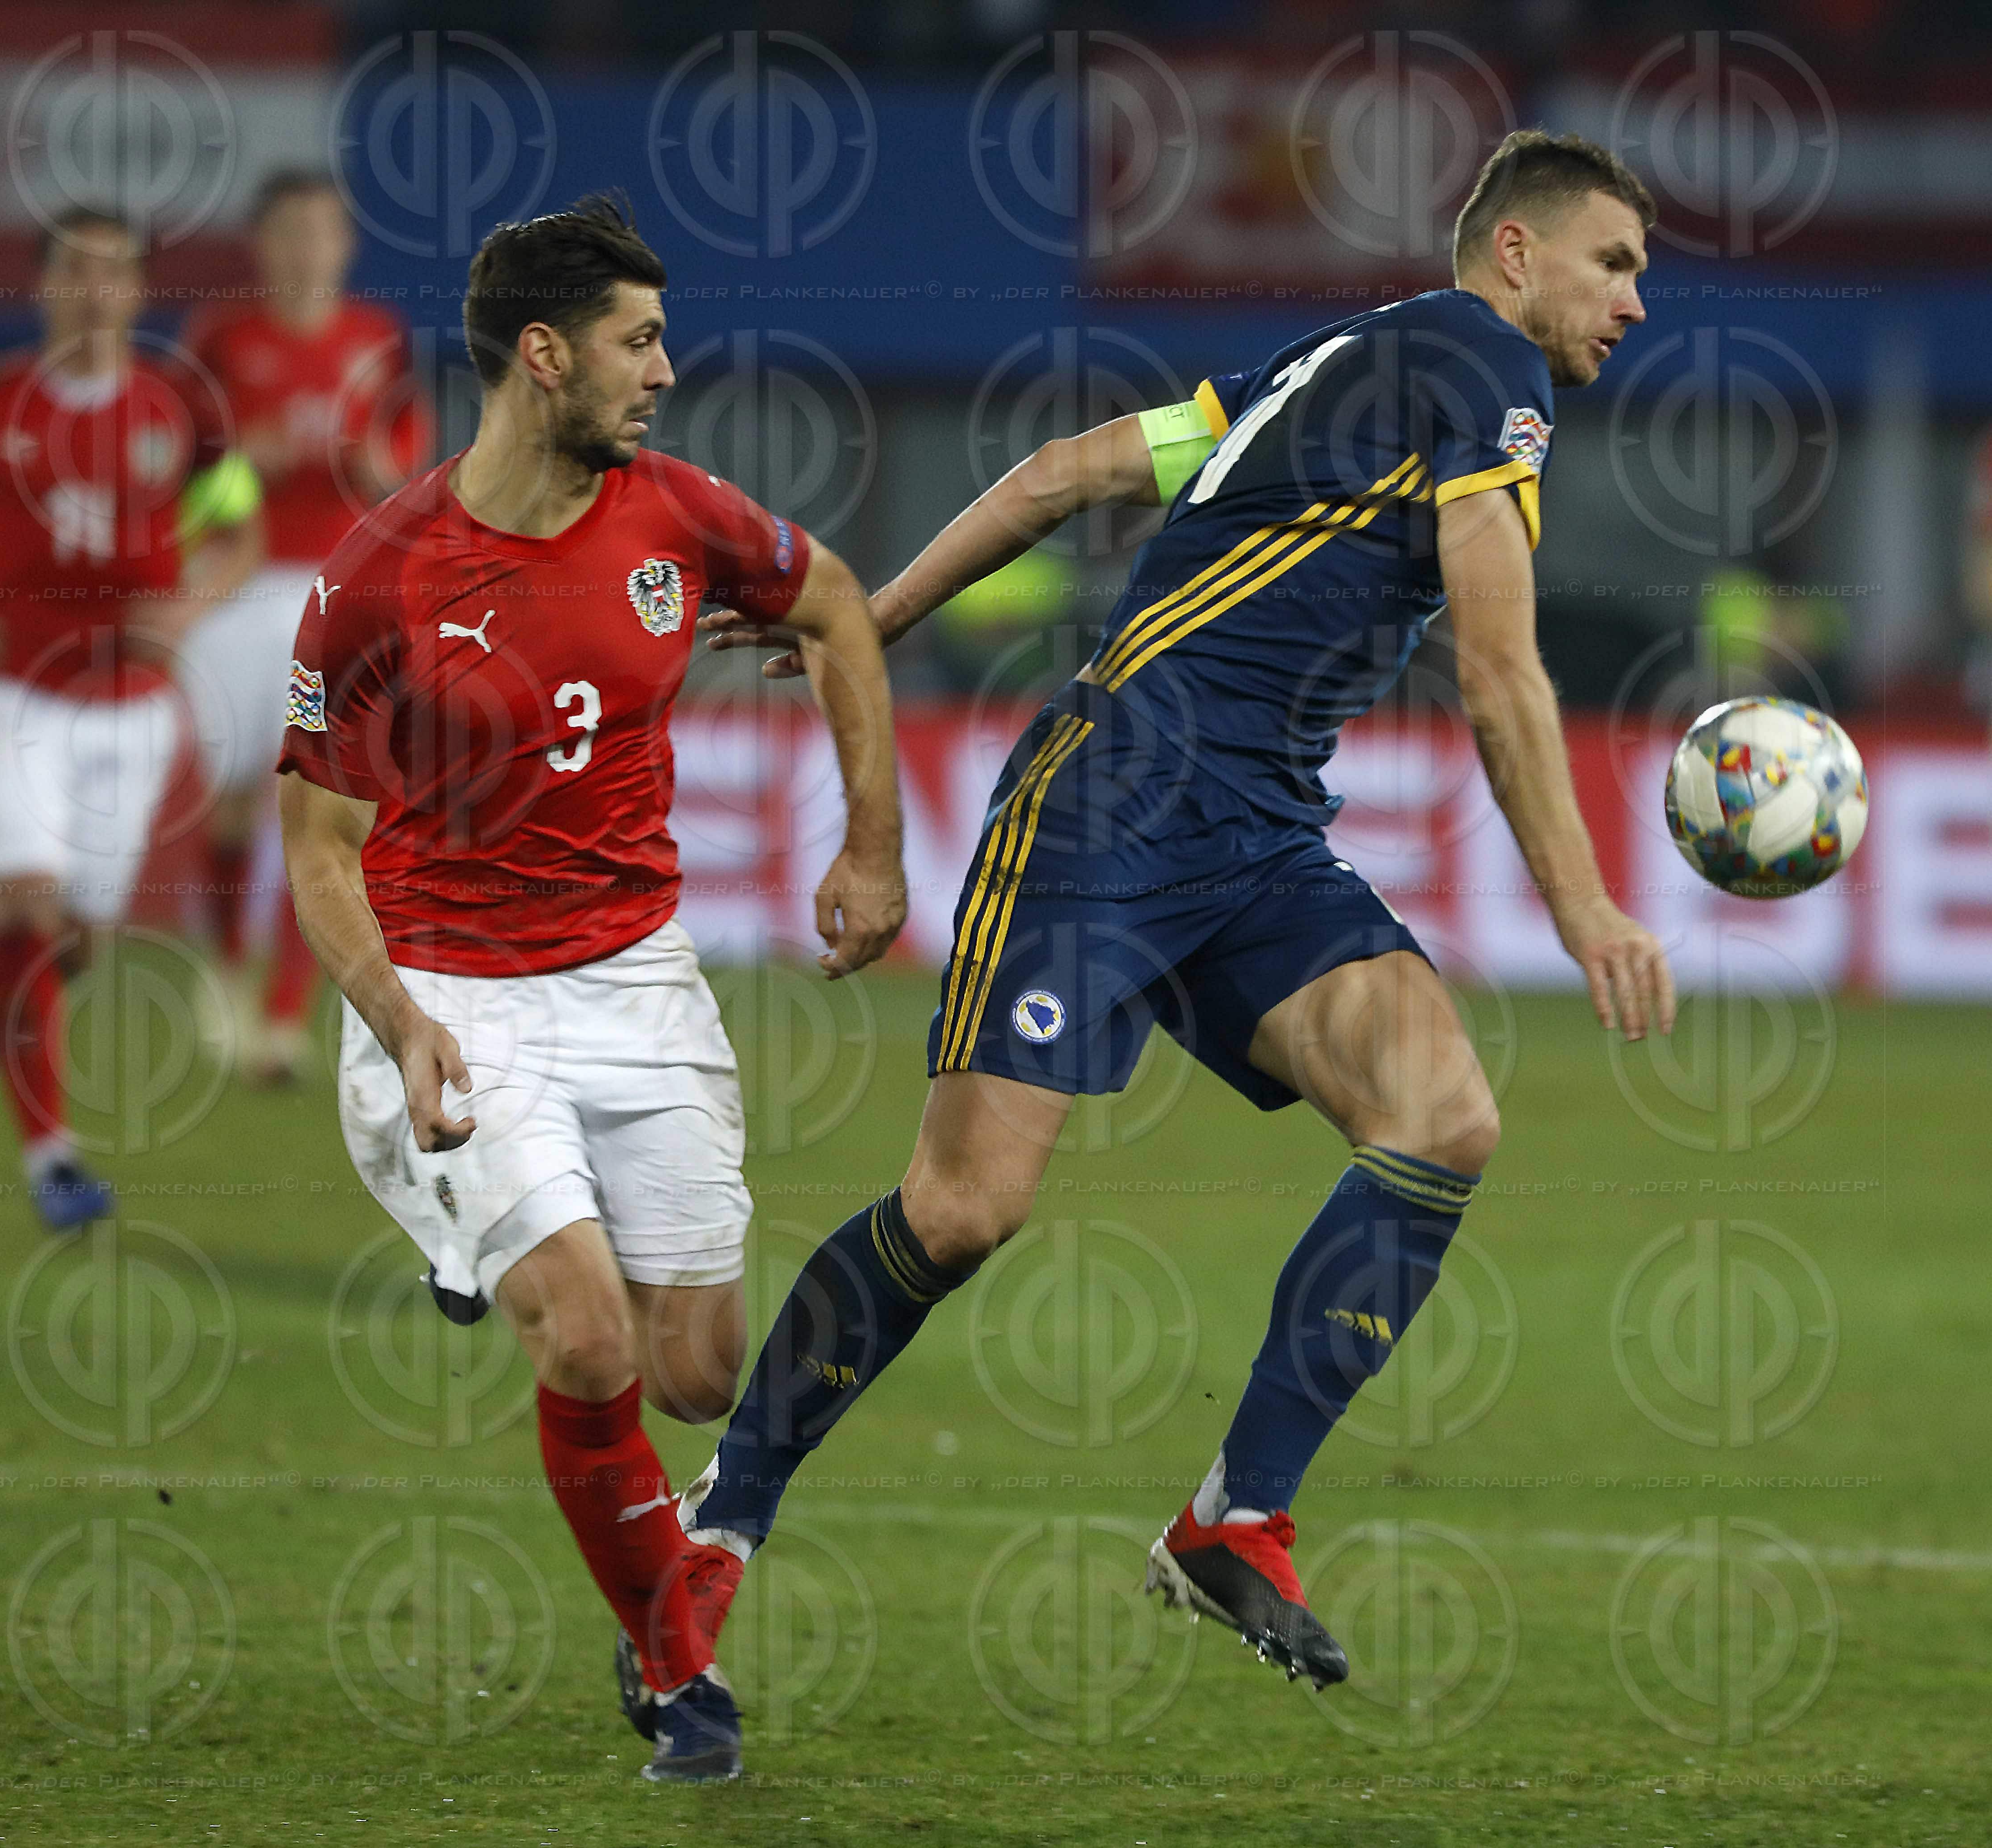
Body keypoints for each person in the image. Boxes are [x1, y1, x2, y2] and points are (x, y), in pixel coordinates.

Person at [687, 130, 1678, 1693]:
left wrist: (862, 622)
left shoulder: (1329, 363)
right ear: (1512, 253)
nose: (1632, 301)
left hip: (1254, 835)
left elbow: (1062, 474)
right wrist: (1589, 911)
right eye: (1613, 263)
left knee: (1440, 1117)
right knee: (960, 1214)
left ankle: (1234, 1518)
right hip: (1111, 805)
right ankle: (718, 1527)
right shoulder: (1488, 368)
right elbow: (1497, 672)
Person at [275, 195, 905, 1783]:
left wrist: (874, 847)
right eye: (638, 342)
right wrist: (403, 1027)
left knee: (696, 1370)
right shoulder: (380, 577)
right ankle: (680, 1680)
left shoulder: (677, 519)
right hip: (452, 993)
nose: (666, 371)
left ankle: (499, 1274)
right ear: (542, 357)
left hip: (636, 981)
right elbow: (319, 852)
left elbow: (830, 602)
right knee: (586, 1338)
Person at [0, 208, 263, 1231]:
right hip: (9, 690)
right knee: (27, 905)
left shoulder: (183, 402)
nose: (96, 288)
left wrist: (192, 602)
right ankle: (53, 1158)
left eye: (115, 272)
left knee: (83, 937)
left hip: (133, 707)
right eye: (77, 268)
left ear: (140, 292)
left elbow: (240, 528)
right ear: (44, 283)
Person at [180, 170, 429, 1083]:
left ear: (344, 243)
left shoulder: (376, 339)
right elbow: (182, 470)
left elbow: (406, 481)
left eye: (321, 232)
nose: (305, 249)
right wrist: (248, 462)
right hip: (237, 587)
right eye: (288, 232)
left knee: (317, 798)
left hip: (336, 588)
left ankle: (285, 1014)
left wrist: (368, 464)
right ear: (261, 243)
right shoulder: (219, 338)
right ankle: (222, 974)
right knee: (234, 799)